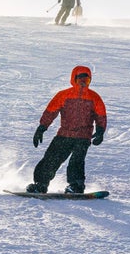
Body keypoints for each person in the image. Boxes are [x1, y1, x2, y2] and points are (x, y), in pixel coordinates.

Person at [27, 65, 107, 193]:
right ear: (74, 79)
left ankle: (76, 186)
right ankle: (40, 184)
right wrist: (42, 128)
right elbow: (50, 112)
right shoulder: (63, 95)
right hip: (64, 134)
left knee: (77, 161)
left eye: (86, 80)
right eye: (80, 79)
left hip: (83, 136)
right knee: (51, 158)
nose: (83, 83)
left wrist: (100, 131)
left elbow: (101, 115)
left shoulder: (94, 97)